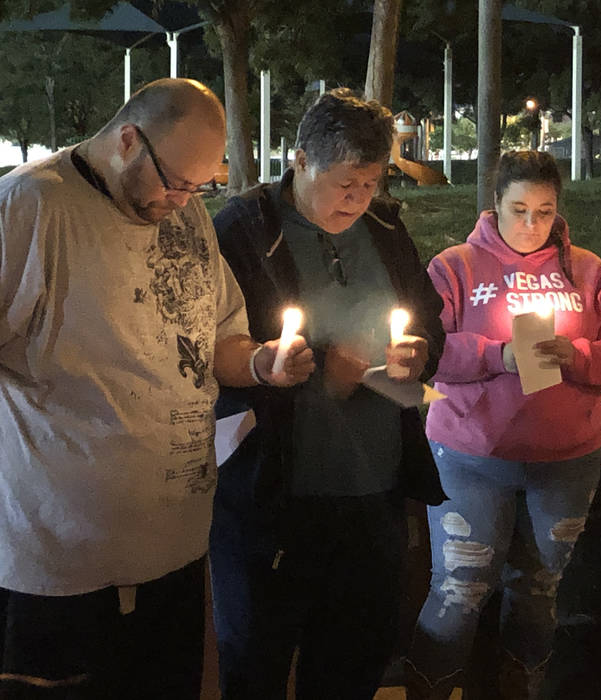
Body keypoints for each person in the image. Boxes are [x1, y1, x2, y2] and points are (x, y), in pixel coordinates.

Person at [0, 78, 313, 699]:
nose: (184, 200)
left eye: (201, 186)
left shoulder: (186, 216)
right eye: (176, 181)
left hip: (167, 556)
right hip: (46, 568)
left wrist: (259, 365)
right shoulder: (27, 209)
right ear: (127, 140)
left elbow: (215, 339)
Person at [208, 88, 447, 699]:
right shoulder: (241, 232)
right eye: (346, 182)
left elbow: (427, 316)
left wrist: (419, 350)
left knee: (354, 661)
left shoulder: (385, 228)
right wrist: (316, 377)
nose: (359, 199)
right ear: (300, 159)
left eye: (371, 183)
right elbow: (207, 352)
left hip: (372, 492)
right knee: (258, 662)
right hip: (274, 498)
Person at [403, 150, 601, 699]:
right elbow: (428, 350)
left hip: (565, 461)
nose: (531, 225)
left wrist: (578, 354)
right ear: (494, 204)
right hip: (471, 458)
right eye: (518, 209)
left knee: (538, 590)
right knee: (459, 590)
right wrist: (499, 355)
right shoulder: (455, 267)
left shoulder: (586, 270)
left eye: (544, 211)